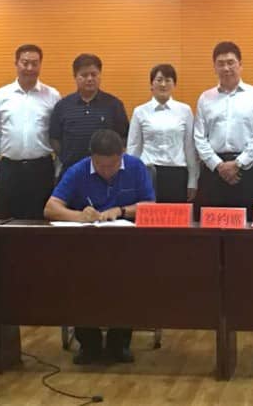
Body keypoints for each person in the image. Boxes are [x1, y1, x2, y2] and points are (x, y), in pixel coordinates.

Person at [45, 129, 156, 365]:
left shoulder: (136, 167)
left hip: (127, 246)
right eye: (100, 165)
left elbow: (150, 205)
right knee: (79, 279)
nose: (106, 171)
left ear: (122, 155)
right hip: (86, 246)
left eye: (112, 165)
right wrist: (78, 216)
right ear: (91, 157)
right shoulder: (78, 170)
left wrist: (122, 210)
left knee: (128, 279)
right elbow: (51, 208)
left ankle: (119, 343)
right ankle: (89, 344)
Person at [0, 44, 62, 219]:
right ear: (16, 63)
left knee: (40, 221)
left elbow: (58, 137)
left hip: (41, 169)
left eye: (34, 63)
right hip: (10, 169)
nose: (29, 68)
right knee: (8, 220)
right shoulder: (1, 95)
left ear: (40, 65)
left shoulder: (52, 95)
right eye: (25, 63)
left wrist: (58, 170)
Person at [194, 41, 253, 218]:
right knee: (211, 224)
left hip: (247, 169)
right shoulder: (205, 98)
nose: (226, 68)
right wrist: (218, 165)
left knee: (248, 224)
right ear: (214, 67)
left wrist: (238, 163)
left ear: (240, 65)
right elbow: (199, 137)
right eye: (221, 64)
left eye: (230, 62)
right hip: (214, 171)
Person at [127, 64, 197, 203]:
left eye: (168, 80)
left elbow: (190, 148)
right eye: (159, 80)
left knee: (175, 215)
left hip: (177, 173)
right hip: (148, 172)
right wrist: (130, 177)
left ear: (174, 84)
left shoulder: (185, 110)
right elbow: (133, 147)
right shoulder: (140, 111)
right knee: (148, 214)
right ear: (151, 84)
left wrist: (192, 180)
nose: (163, 84)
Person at [50, 53, 130, 175]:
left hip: (106, 172)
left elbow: (123, 137)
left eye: (94, 74)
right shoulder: (63, 106)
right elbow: (54, 139)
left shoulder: (114, 105)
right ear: (75, 76)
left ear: (100, 75)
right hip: (72, 170)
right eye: (84, 75)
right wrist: (66, 156)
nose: (89, 79)